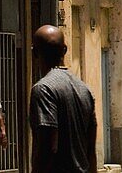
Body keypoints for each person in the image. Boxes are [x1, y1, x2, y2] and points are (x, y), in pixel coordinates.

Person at [29, 25, 96, 173]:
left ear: (34, 53)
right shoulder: (84, 89)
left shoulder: (43, 89)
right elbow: (91, 150)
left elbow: (47, 147)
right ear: (64, 50)